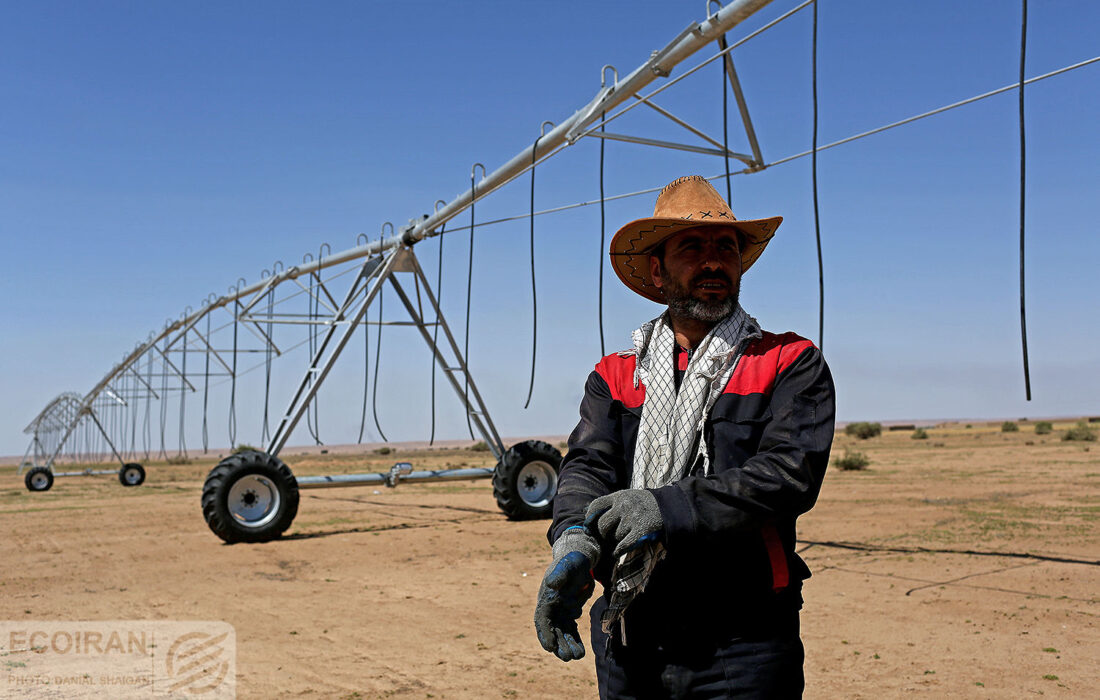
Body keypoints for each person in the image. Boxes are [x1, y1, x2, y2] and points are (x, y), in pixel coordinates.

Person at [534, 175, 835, 698]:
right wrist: (573, 537)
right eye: (691, 247)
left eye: (726, 247)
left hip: (744, 639)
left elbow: (788, 475)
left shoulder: (789, 361)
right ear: (657, 269)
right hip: (630, 632)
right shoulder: (615, 374)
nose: (713, 262)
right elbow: (587, 466)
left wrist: (664, 508)